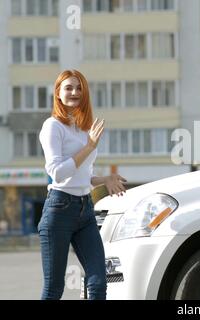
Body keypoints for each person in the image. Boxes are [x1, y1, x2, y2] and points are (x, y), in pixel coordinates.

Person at [38, 69, 127, 300]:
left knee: (98, 282)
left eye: (79, 88)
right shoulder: (52, 126)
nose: (74, 92)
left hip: (85, 209)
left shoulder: (84, 128)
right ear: (58, 93)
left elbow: (81, 175)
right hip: (59, 210)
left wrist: (104, 180)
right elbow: (57, 173)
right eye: (68, 88)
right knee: (54, 289)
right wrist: (88, 147)